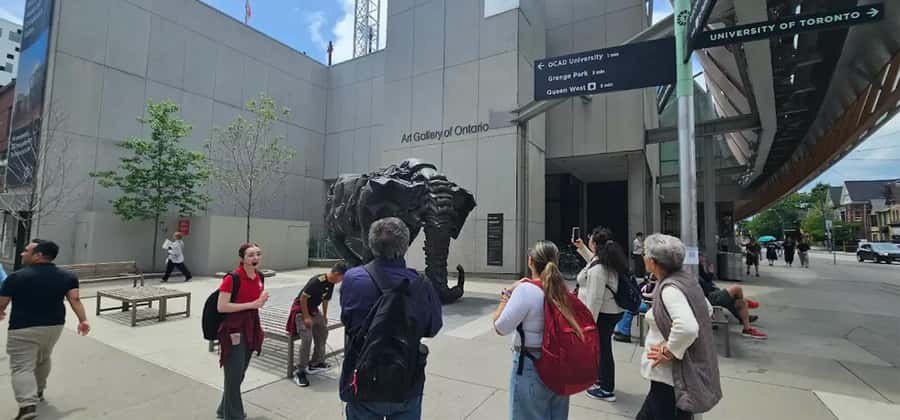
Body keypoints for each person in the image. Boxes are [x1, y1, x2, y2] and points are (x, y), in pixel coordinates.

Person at [339, 217, 442, 420]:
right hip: (406, 381)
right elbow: (432, 327)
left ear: (371, 244)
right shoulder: (421, 284)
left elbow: (348, 320)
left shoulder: (353, 278)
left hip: (363, 381)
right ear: (405, 245)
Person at [0, 239, 90, 420]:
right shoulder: (68, 276)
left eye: (26, 251)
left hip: (23, 328)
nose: (22, 253)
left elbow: (2, 302)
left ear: (38, 255)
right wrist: (83, 320)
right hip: (54, 326)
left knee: (21, 367)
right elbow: (75, 300)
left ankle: (27, 406)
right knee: (43, 358)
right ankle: (39, 391)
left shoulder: (16, 277)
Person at [638, 234, 721, 420]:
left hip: (672, 376)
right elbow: (706, 310)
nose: (643, 257)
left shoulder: (670, 289)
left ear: (652, 261)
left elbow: (688, 327)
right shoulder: (686, 280)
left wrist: (669, 350)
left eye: (645, 254)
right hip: (673, 376)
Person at [493, 241, 575, 419]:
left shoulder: (526, 291)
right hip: (561, 364)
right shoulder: (563, 292)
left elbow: (500, 326)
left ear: (530, 261)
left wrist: (506, 295)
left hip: (531, 364)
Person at [216, 243, 269, 420]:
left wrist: (260, 301)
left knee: (239, 372)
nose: (256, 258)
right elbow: (222, 306)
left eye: (258, 254)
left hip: (251, 326)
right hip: (233, 329)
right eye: (251, 255)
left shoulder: (259, 276)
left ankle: (223, 409)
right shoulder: (232, 278)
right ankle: (234, 415)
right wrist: (253, 304)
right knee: (234, 373)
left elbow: (255, 301)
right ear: (242, 259)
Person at [575, 228, 625, 402]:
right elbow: (592, 260)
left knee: (603, 350)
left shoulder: (598, 269)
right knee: (603, 348)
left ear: (594, 244)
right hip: (611, 312)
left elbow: (595, 299)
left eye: (589, 239)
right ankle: (601, 379)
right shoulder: (605, 260)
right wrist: (581, 248)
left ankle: (606, 389)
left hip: (603, 314)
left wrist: (588, 324)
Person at [289, 262, 348, 387]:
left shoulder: (331, 283)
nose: (341, 281)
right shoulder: (317, 281)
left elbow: (325, 300)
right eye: (342, 278)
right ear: (337, 274)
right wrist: (306, 317)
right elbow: (303, 299)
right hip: (301, 310)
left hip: (314, 311)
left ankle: (316, 362)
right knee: (307, 338)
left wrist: (325, 316)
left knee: (323, 332)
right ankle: (300, 371)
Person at [698, 255, 766, 339]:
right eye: (701, 257)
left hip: (713, 293)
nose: (704, 258)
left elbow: (707, 280)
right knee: (737, 288)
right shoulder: (693, 270)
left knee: (741, 303)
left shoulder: (699, 268)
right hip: (709, 297)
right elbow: (706, 285)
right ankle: (743, 300)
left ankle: (747, 328)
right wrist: (711, 273)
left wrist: (707, 271)